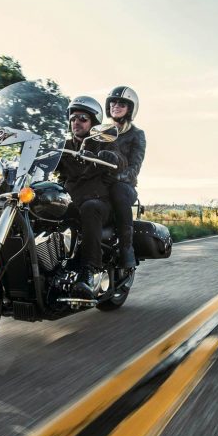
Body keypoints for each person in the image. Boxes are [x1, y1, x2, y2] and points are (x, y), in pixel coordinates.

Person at [56, 95, 124, 298]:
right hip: (70, 201)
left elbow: (120, 160)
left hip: (98, 203)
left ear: (93, 123)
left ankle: (89, 272)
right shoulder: (63, 145)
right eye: (73, 118)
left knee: (89, 207)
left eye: (82, 118)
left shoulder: (104, 143)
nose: (76, 122)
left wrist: (110, 157)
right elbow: (44, 161)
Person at [104, 86, 146, 269]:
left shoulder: (136, 135)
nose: (116, 105)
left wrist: (117, 177)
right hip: (101, 183)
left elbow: (135, 167)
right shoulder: (100, 131)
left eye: (122, 103)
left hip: (125, 187)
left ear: (130, 109)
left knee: (118, 190)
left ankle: (126, 247)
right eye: (113, 102)